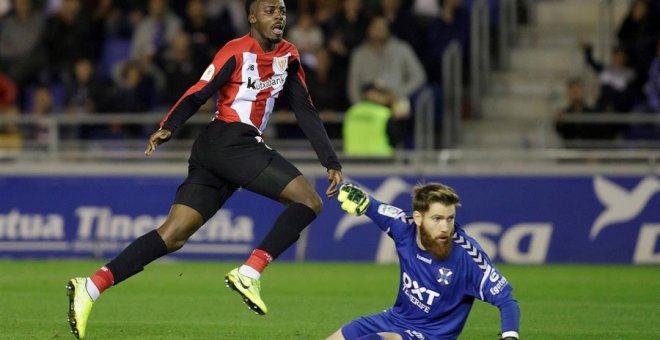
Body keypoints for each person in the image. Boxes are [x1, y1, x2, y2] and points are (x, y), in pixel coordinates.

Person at [66, 1, 343, 338]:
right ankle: (250, 272)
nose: (279, 16)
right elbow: (200, 91)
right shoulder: (236, 51)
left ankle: (91, 286)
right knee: (309, 201)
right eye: (270, 10)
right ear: (252, 17)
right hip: (231, 141)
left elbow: (304, 109)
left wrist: (330, 159)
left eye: (282, 10)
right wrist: (170, 125)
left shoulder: (289, 55)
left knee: (173, 235)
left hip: (219, 149)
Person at [326, 182, 520, 340]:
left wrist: (510, 337)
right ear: (418, 218)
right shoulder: (403, 227)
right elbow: (372, 206)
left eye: (450, 218)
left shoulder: (467, 256)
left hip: (430, 335)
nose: (445, 227)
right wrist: (345, 188)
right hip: (394, 318)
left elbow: (507, 300)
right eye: (437, 218)